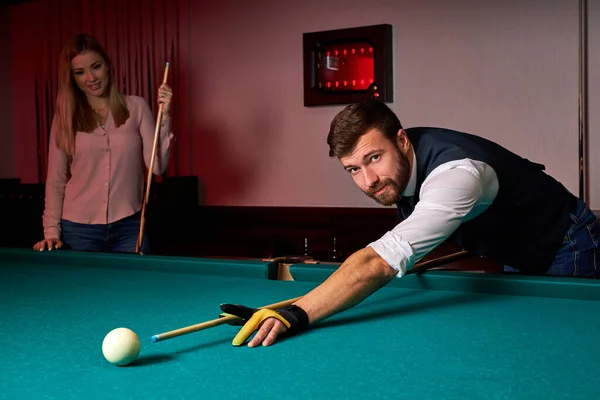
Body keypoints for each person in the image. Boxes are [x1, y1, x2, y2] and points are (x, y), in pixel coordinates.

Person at [220, 99, 600, 348]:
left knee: (562, 343)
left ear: (401, 141)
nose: (367, 180)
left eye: (373, 158)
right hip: (517, 246)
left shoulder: (456, 175)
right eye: (353, 169)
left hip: (567, 242)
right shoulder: (398, 170)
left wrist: (297, 312)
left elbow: (377, 262)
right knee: (529, 336)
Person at [32, 34, 174, 253]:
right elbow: (56, 180)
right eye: (80, 72)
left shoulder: (136, 107)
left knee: (134, 287)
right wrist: (51, 232)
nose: (91, 78)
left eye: (96, 67)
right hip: (79, 231)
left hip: (130, 226)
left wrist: (164, 117)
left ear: (107, 66)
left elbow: (158, 166)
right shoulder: (65, 117)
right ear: (73, 78)